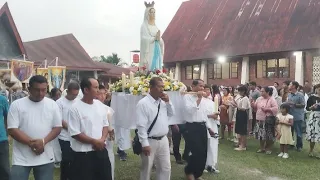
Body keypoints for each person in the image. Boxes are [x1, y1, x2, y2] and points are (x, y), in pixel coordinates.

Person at [8, 75, 62, 180]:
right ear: (29, 89)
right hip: (21, 158)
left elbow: (57, 127)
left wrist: (43, 142)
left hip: (45, 156)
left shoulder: (52, 105)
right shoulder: (17, 105)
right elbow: (12, 129)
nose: (41, 93)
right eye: (37, 90)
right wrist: (31, 143)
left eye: (44, 90)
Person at [68, 77, 112, 180]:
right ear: (86, 90)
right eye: (95, 87)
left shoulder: (99, 105)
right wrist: (94, 142)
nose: (98, 90)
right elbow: (75, 133)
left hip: (101, 150)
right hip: (83, 154)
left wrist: (101, 140)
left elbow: (105, 125)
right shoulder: (75, 108)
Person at [136, 77, 174, 180]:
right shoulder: (143, 103)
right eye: (159, 86)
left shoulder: (162, 102)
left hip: (163, 140)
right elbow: (141, 125)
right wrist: (144, 144)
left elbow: (171, 114)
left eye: (163, 87)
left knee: (165, 168)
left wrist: (168, 102)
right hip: (150, 140)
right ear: (151, 87)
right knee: (147, 168)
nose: (162, 89)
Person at [183, 79, 215, 180]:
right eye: (200, 86)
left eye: (203, 86)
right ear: (193, 86)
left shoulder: (204, 100)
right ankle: (189, 172)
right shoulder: (187, 97)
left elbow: (203, 115)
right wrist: (199, 99)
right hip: (192, 127)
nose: (202, 88)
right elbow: (190, 111)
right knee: (196, 152)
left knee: (203, 152)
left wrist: (209, 127)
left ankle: (197, 174)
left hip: (202, 127)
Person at [56, 82, 80, 180]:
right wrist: (72, 129)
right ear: (67, 91)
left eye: (76, 94)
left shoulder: (78, 101)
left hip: (77, 136)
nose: (74, 96)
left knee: (76, 159)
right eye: (73, 94)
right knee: (66, 159)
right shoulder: (59, 103)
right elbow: (60, 120)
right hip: (64, 136)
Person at [97, 84, 116, 180]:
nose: (102, 96)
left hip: (107, 143)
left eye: (104, 94)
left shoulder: (108, 110)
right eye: (99, 94)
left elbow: (112, 130)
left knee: (109, 166)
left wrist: (111, 131)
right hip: (96, 142)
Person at [252, 87, 278, 154]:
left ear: (267, 92)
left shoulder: (272, 99)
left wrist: (267, 109)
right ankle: (262, 148)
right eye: (261, 91)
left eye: (263, 91)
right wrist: (252, 104)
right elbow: (255, 107)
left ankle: (268, 148)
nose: (261, 93)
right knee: (260, 135)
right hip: (259, 119)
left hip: (268, 120)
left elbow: (275, 109)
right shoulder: (259, 99)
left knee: (268, 135)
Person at [140, 1, 164, 70]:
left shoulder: (156, 27)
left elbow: (160, 40)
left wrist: (159, 39)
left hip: (157, 48)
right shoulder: (144, 26)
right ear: (148, 13)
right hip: (149, 49)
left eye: (154, 12)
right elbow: (143, 39)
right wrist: (153, 39)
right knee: (150, 66)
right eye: (151, 12)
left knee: (157, 65)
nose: (153, 14)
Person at [203, 84, 219, 174]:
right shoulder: (200, 102)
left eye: (208, 90)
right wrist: (210, 116)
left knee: (213, 145)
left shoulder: (212, 102)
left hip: (213, 125)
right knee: (205, 145)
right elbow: (199, 115)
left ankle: (211, 164)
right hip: (204, 126)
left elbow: (215, 113)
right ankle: (203, 164)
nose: (207, 92)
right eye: (205, 90)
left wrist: (216, 116)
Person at [231, 85, 251, 151]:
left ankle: (243, 146)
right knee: (239, 130)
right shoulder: (240, 98)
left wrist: (236, 105)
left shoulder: (245, 98)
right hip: (239, 114)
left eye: (240, 91)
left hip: (243, 114)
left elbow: (243, 109)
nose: (239, 92)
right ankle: (240, 144)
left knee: (243, 131)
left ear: (244, 91)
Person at [287, 81, 305, 151]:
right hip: (290, 115)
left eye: (290, 84)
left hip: (297, 116)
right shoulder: (289, 95)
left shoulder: (300, 95)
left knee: (298, 132)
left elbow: (303, 105)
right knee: (290, 131)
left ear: (294, 86)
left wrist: (294, 104)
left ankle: (299, 146)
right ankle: (291, 144)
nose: (289, 85)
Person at [305, 84, 320, 158]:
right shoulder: (312, 97)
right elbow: (307, 108)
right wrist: (312, 107)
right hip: (314, 116)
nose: (319, 90)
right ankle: (311, 150)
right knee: (313, 134)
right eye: (318, 89)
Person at [0, 94, 9, 180]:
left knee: (4, 169)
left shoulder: (2, 99)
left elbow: (8, 116)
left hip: (1, 139)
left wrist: (7, 132)